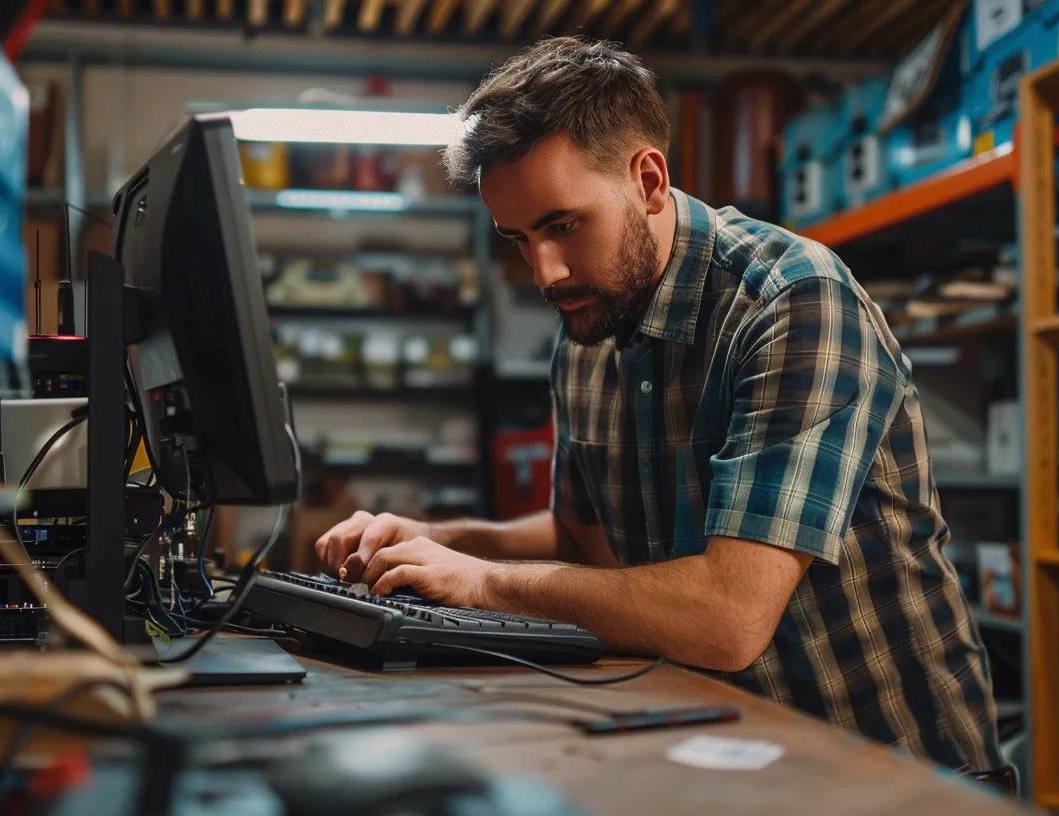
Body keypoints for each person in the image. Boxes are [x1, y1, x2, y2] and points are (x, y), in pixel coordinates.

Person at [315, 36, 1006, 783]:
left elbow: (727, 618)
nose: (544, 273)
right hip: (722, 751)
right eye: (518, 240)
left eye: (563, 226)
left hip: (892, 775)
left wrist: (479, 581)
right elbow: (585, 546)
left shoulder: (791, 301)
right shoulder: (586, 326)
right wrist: (436, 540)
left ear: (647, 179)